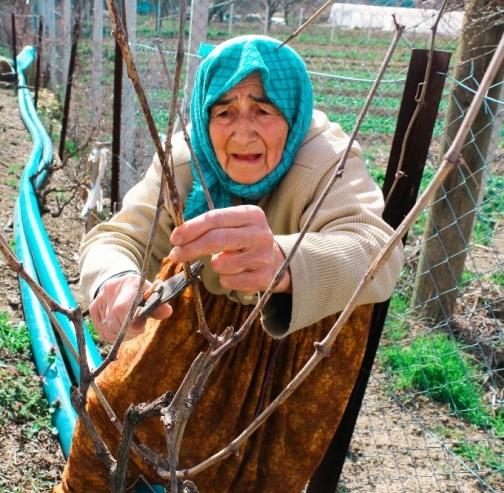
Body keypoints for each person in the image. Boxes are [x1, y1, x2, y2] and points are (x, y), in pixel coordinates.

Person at [55, 35, 404, 493]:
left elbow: (377, 252)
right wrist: (115, 278)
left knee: (259, 471)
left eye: (263, 109)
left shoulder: (326, 161)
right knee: (111, 415)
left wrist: (285, 261)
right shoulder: (186, 157)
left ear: (292, 112)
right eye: (224, 112)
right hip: (194, 323)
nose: (242, 134)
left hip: (289, 341)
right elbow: (122, 235)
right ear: (205, 115)